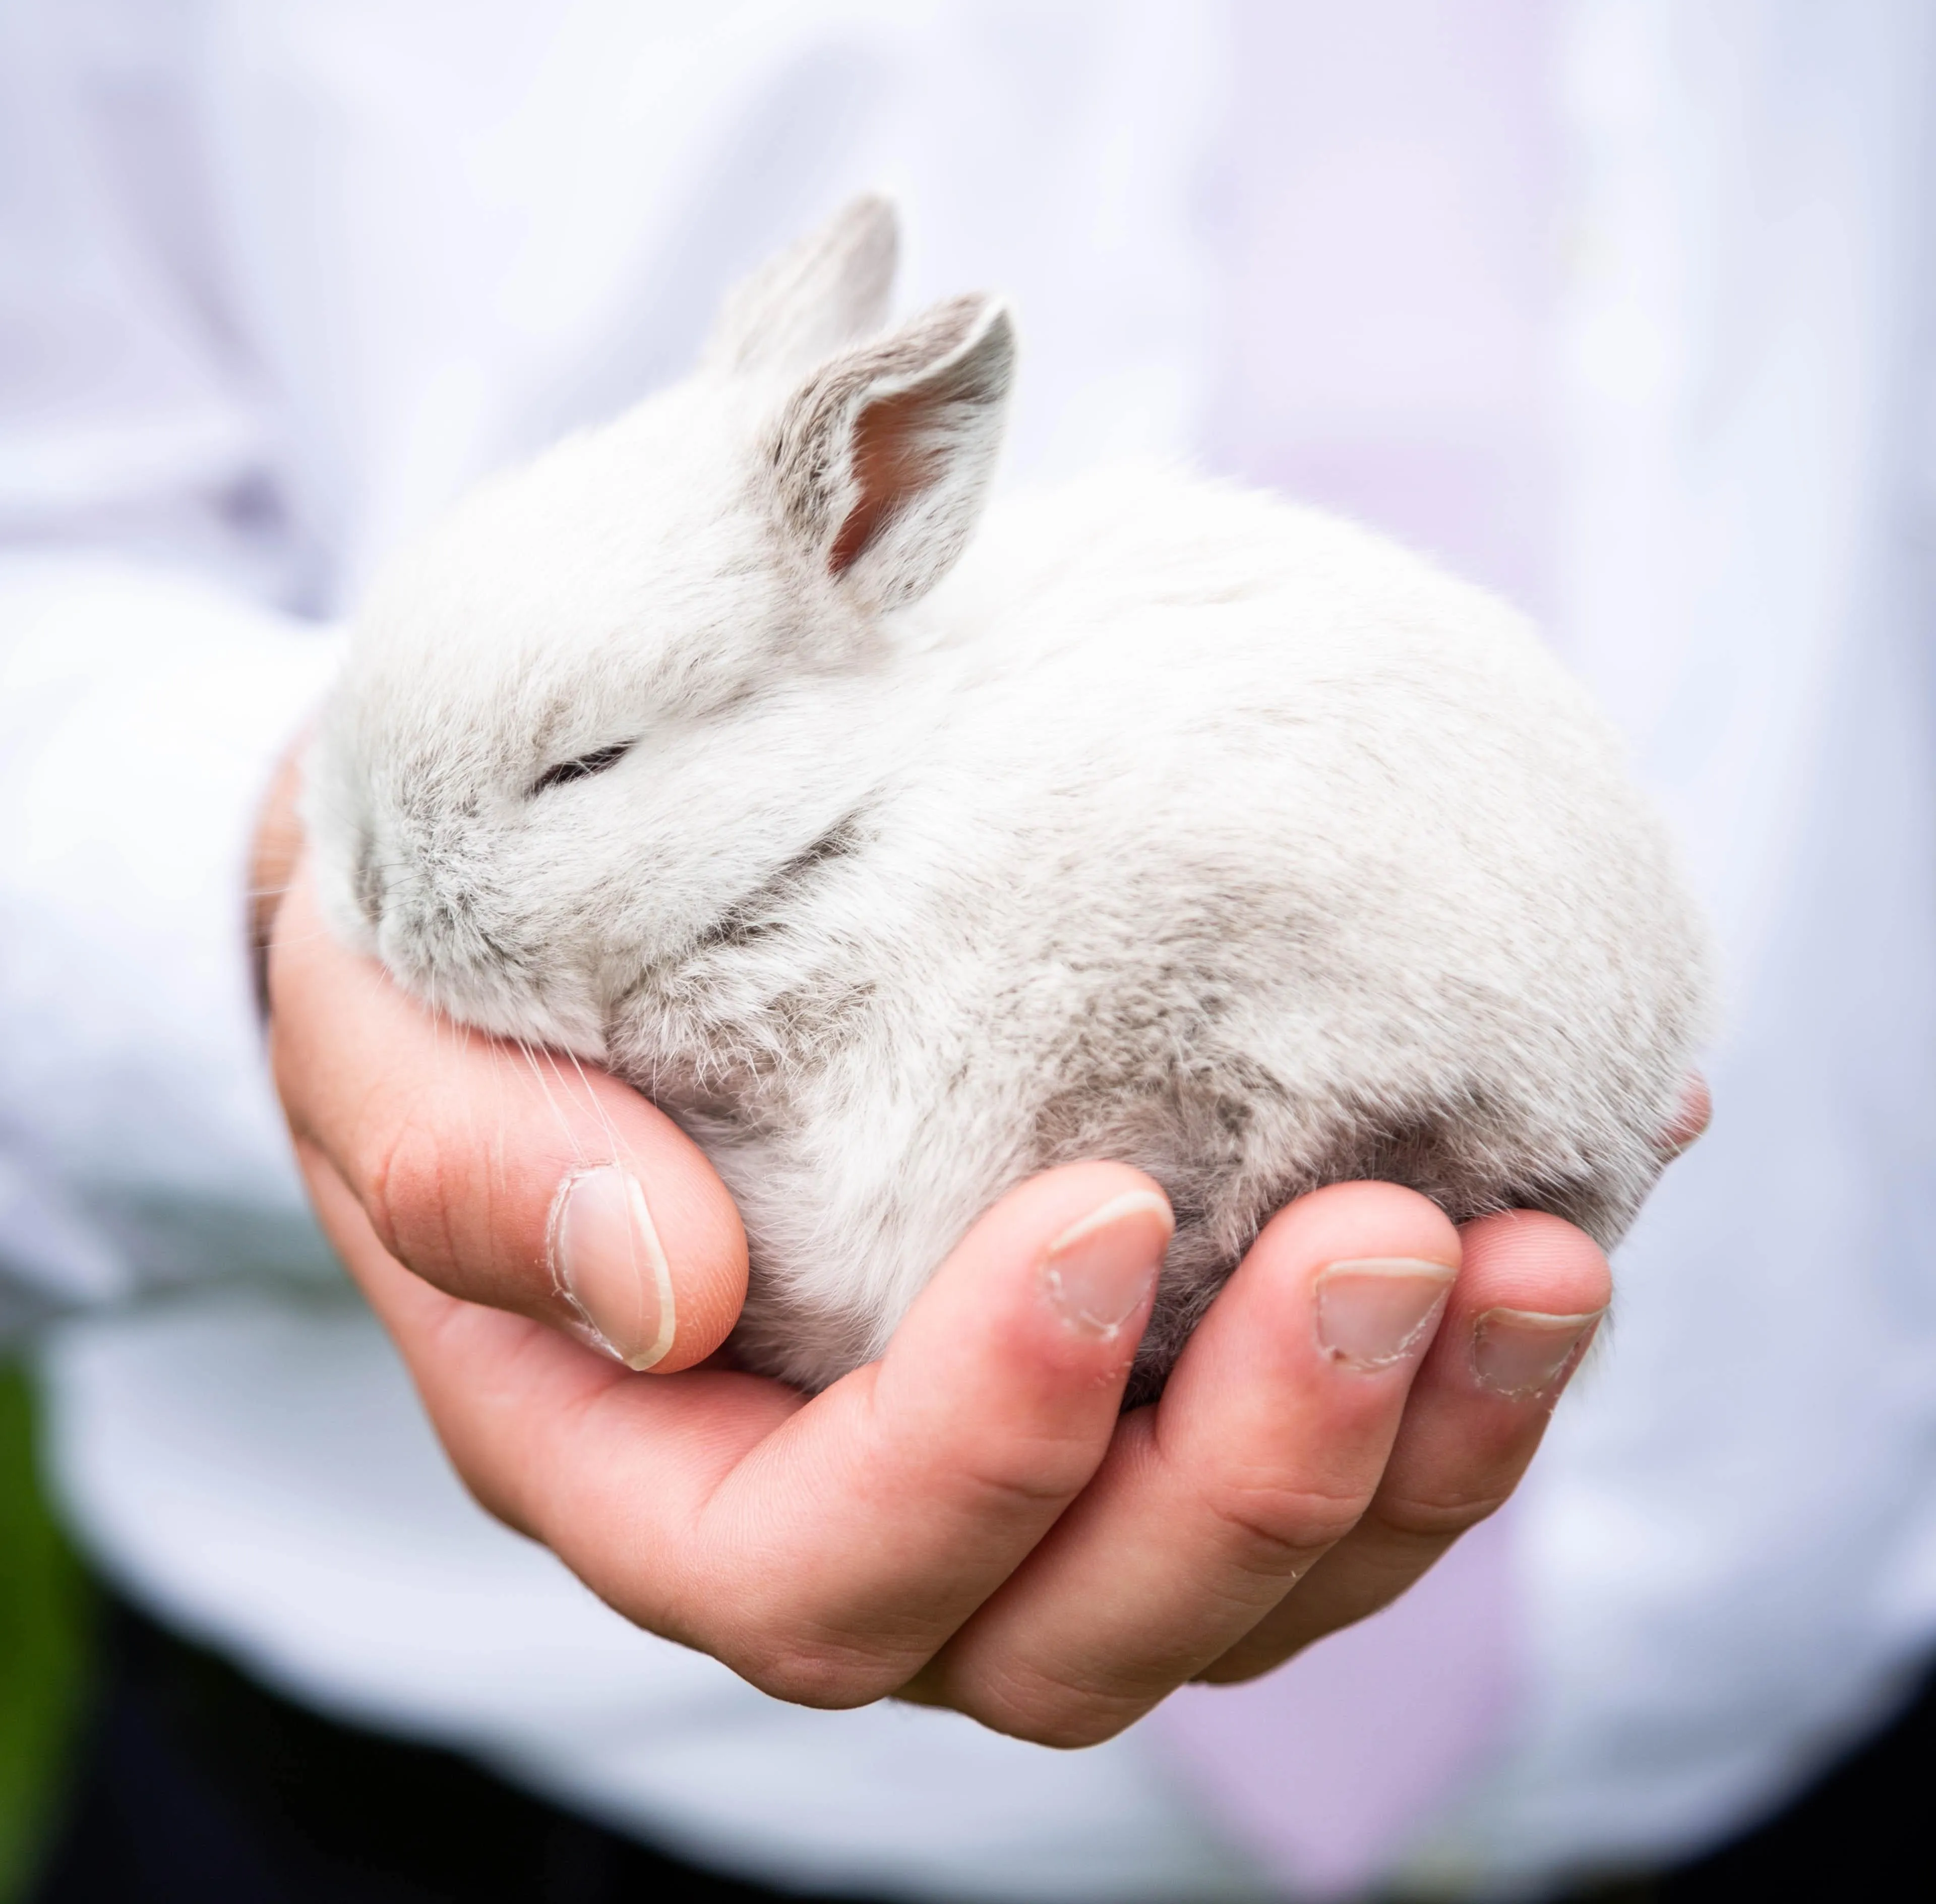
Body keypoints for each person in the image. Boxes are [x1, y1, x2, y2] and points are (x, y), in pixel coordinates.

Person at [2, 4, 1927, 1902]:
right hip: (446, 1797)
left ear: (876, 518)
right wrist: (242, 900)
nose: (379, 901)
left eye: (582, 772)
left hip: (1816, 1665)